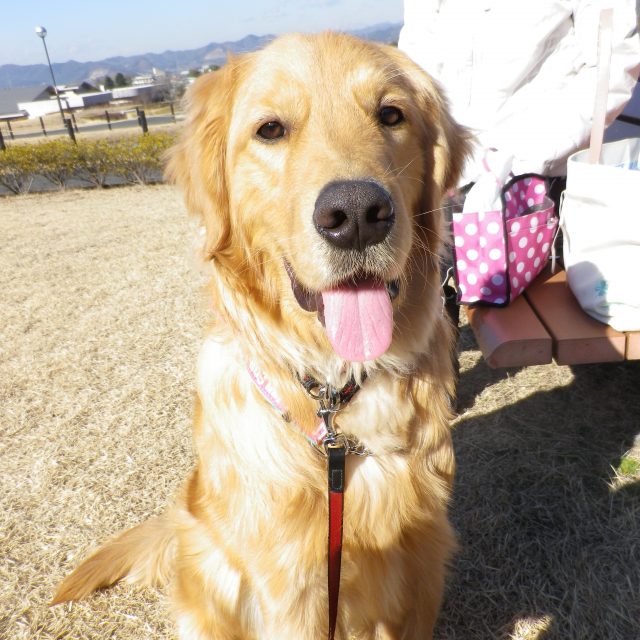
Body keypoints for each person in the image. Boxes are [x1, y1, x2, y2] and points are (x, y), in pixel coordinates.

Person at [399, 0, 640, 332]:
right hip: (449, 168)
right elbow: (415, 60)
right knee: (422, 296)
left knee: (509, 311)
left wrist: (523, 156)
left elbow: (612, 65)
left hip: (535, 182)